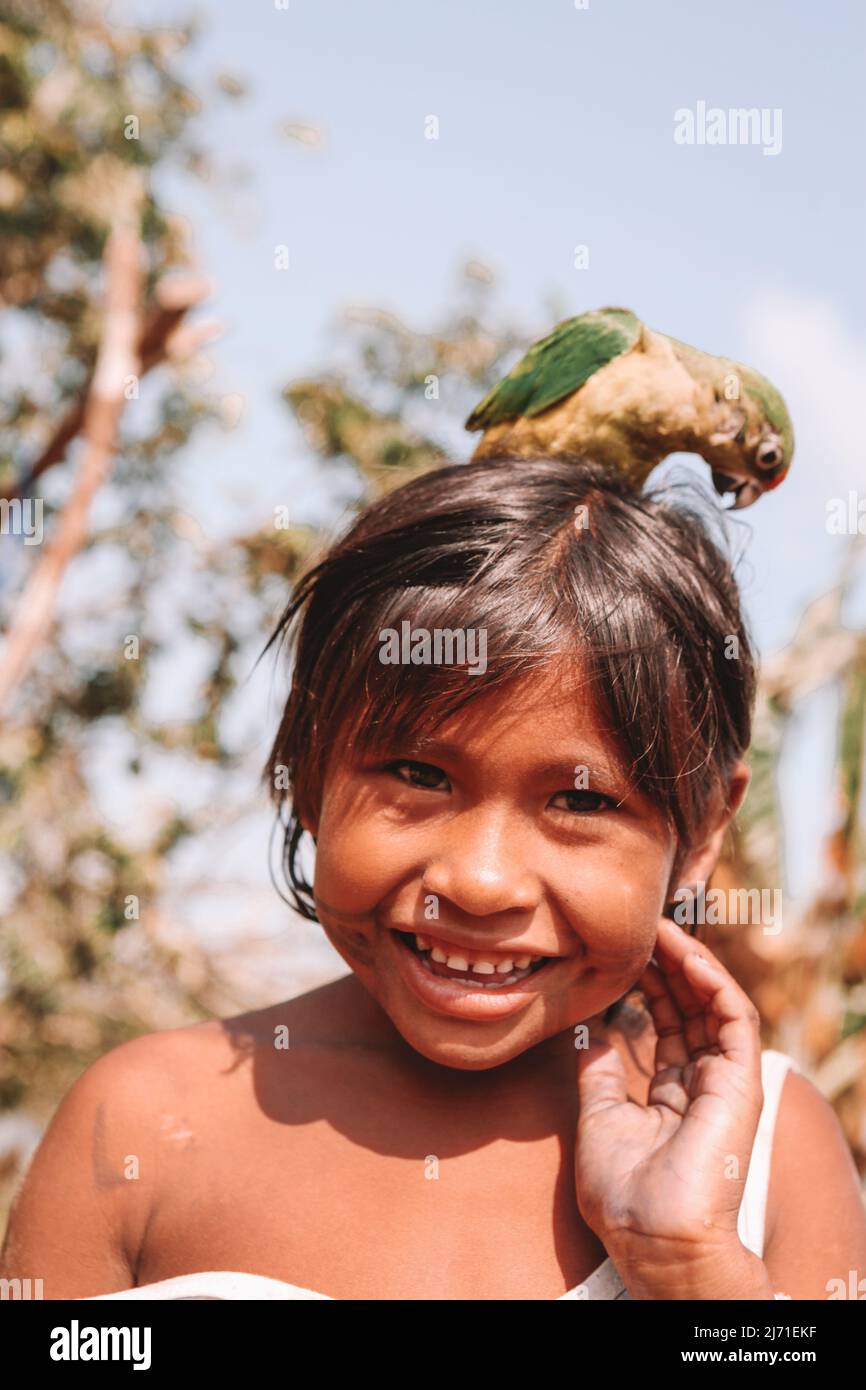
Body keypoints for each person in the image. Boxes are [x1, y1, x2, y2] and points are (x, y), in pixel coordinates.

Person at [3, 456, 865, 1301]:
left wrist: (691, 1271)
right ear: (310, 773)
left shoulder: (770, 1153)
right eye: (419, 776)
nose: (481, 883)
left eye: (579, 800)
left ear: (705, 829)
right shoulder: (141, 1122)